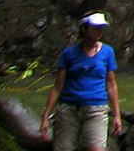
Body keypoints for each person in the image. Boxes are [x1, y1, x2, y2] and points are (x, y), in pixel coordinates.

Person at [39, 12, 123, 151]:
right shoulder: (69, 54)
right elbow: (58, 86)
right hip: (69, 109)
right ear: (84, 29)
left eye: (101, 27)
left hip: (96, 109)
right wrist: (46, 116)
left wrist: (117, 116)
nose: (99, 31)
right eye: (95, 27)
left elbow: (111, 85)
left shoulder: (108, 52)